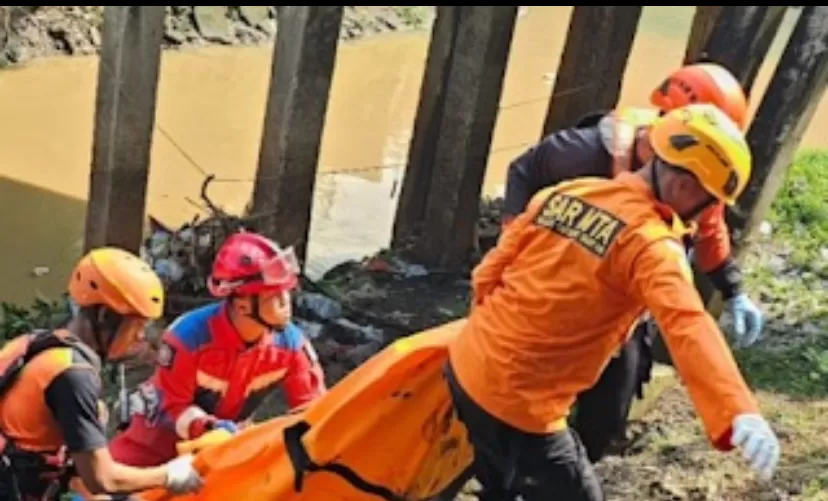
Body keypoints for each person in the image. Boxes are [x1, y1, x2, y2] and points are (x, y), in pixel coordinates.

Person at [446, 104, 781, 501]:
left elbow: (488, 273)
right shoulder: (651, 247)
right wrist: (737, 408)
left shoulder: (566, 192)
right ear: (685, 188)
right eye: (710, 203)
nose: (705, 217)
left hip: (465, 364)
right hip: (522, 404)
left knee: (499, 474)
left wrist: (493, 346)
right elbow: (686, 322)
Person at [501, 62, 764, 462]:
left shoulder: (696, 176)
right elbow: (525, 171)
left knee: (612, 398)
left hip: (622, 298)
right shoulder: (587, 152)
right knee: (524, 383)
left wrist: (733, 290)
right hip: (562, 281)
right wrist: (516, 244)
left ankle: (581, 455)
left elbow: (709, 235)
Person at [107, 231, 327, 467]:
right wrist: (210, 429)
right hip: (153, 446)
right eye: (274, 294)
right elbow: (172, 406)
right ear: (242, 305)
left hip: (228, 452)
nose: (287, 302)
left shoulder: (293, 345)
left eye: (287, 291)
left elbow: (315, 411)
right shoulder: (188, 338)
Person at [0, 247, 203, 500]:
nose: (140, 335)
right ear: (106, 316)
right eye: (137, 324)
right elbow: (102, 478)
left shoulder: (37, 343)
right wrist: (169, 475)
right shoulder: (73, 376)